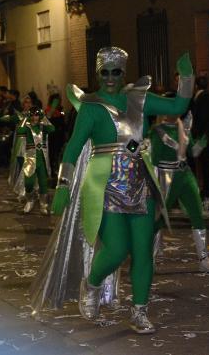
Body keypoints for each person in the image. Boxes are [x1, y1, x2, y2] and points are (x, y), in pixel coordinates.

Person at [49, 47, 194, 334]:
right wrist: (63, 185)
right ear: (98, 73)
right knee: (116, 250)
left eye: (116, 72)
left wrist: (187, 78)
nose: (111, 78)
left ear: (123, 72)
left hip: (140, 182)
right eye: (105, 72)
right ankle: (91, 284)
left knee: (143, 252)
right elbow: (74, 146)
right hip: (105, 184)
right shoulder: (91, 107)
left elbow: (177, 107)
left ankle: (139, 311)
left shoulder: (138, 99)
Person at [149, 108, 209, 273]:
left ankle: (203, 259)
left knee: (197, 213)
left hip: (185, 175)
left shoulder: (184, 128)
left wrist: (202, 142)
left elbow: (192, 152)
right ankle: (148, 260)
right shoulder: (157, 131)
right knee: (158, 219)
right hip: (166, 177)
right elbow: (154, 157)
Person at [16, 107, 55, 214]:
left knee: (43, 183)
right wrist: (25, 119)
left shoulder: (43, 127)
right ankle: (30, 200)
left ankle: (44, 205)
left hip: (42, 158)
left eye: (37, 115)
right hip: (30, 158)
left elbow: (52, 129)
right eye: (32, 115)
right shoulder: (27, 128)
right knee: (28, 183)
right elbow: (19, 131)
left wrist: (45, 118)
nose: (34, 117)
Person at [189, 75, 209, 199]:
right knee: (204, 163)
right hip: (204, 135)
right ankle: (205, 188)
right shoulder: (205, 97)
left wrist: (194, 132)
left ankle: (207, 189)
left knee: (204, 163)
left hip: (202, 136)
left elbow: (201, 119)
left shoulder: (202, 98)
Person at [45, 93, 65, 179]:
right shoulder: (48, 110)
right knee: (53, 155)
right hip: (52, 136)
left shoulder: (61, 110)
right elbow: (47, 121)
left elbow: (63, 122)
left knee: (59, 155)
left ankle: (59, 172)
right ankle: (53, 173)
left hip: (60, 136)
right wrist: (52, 111)